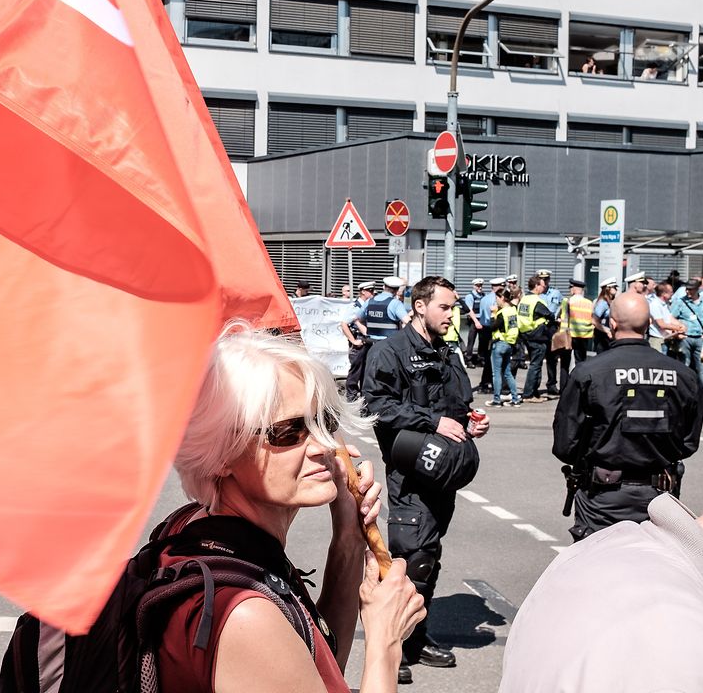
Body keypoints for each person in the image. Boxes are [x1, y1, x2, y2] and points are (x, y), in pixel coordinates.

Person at [158, 323, 425, 693]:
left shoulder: (195, 527)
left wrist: (348, 538)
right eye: (288, 431)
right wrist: (385, 644)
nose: (322, 445)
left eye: (324, 422)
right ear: (220, 454)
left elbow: (321, 668)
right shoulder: (245, 613)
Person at [362, 276, 490, 683]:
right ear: (420, 306)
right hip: (409, 470)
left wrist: (473, 422)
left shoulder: (447, 353)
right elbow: (376, 405)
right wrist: (433, 421)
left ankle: (416, 639)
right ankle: (391, 647)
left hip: (443, 470)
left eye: (453, 307)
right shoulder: (389, 352)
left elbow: (460, 406)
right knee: (409, 559)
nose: (452, 315)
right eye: (445, 307)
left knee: (428, 558)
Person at [500, 489, 703, 691]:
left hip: (605, 495)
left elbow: (567, 446)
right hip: (650, 487)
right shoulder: (683, 661)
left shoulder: (597, 549)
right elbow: (687, 444)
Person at [552, 292, 703, 542]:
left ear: (611, 324)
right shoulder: (684, 375)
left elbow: (566, 444)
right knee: (656, 573)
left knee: (599, 571)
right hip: (660, 497)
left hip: (603, 499)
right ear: (648, 325)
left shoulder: (588, 373)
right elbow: (688, 442)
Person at [671, 279, 703, 408]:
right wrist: (678, 330)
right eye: (687, 289)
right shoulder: (680, 302)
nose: (687, 291)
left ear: (697, 290)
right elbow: (671, 317)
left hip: (700, 338)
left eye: (690, 289)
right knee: (684, 366)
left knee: (702, 369)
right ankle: (683, 395)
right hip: (685, 338)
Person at [518, 275, 556, 403]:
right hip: (537, 335)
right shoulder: (536, 300)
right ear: (536, 286)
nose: (544, 286)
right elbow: (549, 314)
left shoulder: (524, 299)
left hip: (525, 334)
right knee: (536, 365)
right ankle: (529, 394)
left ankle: (534, 393)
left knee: (535, 364)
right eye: (542, 284)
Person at [341, 282, 377, 403]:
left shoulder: (369, 306)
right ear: (363, 292)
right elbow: (344, 324)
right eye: (370, 291)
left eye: (373, 290)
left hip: (367, 342)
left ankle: (362, 395)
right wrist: (353, 340)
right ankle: (351, 396)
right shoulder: (355, 307)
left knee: (365, 370)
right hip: (359, 342)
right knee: (355, 370)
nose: (373, 293)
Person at [486, 288, 522, 407]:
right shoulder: (513, 310)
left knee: (496, 373)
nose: (496, 301)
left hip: (499, 343)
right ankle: (515, 399)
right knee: (507, 372)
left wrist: (492, 314)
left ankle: (497, 400)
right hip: (509, 343)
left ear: (502, 298)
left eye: (497, 298)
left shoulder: (502, 313)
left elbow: (493, 327)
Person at [358, 277, 411, 343]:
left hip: (371, 343)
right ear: (397, 290)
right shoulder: (395, 303)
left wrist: (365, 332)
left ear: (383, 287)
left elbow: (357, 319)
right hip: (389, 344)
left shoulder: (369, 302)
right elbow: (407, 322)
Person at [536, 271, 563, 398]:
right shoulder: (536, 294)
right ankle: (535, 386)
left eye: (546, 279)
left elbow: (562, 306)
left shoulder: (556, 293)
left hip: (552, 327)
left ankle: (552, 385)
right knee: (539, 358)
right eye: (542, 279)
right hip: (540, 327)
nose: (545, 282)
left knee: (552, 359)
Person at [475, 278, 504, 394]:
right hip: (492, 329)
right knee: (493, 359)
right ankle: (488, 382)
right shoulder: (496, 300)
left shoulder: (484, 299)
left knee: (487, 357)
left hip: (484, 329)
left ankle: (485, 383)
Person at [462, 278, 485, 367]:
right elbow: (469, 310)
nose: (480, 287)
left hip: (482, 320)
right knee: (471, 341)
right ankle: (469, 360)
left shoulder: (483, 295)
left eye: (481, 285)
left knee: (482, 341)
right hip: (474, 320)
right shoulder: (470, 296)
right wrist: (476, 322)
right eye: (478, 285)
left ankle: (481, 359)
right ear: (474, 286)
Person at [592, 278, 617, 354]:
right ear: (607, 288)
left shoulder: (610, 302)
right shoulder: (603, 303)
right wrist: (607, 331)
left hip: (609, 336)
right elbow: (594, 320)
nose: (616, 289)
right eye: (614, 287)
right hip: (602, 337)